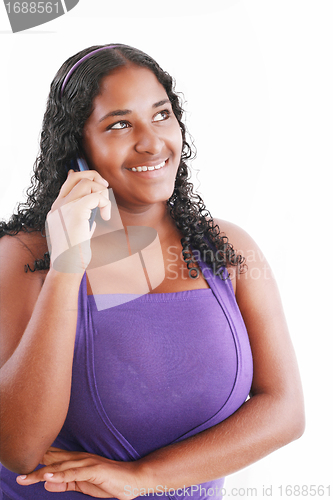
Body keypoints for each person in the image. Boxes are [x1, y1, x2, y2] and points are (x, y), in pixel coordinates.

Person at [0, 43, 305, 500]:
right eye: (119, 124)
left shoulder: (226, 248)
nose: (152, 141)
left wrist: (141, 477)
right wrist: (67, 264)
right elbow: (19, 449)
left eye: (161, 115)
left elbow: (286, 411)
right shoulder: (25, 255)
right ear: (78, 146)